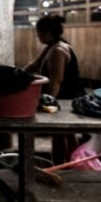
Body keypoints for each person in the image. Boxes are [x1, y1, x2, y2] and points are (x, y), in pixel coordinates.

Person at [24, 15, 84, 162]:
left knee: (59, 135)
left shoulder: (58, 50)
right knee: (66, 135)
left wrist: (50, 102)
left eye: (39, 33)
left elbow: (56, 80)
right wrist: (15, 75)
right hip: (65, 98)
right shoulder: (52, 46)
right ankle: (74, 164)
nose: (37, 36)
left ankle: (64, 166)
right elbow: (34, 66)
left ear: (47, 32)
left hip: (65, 100)